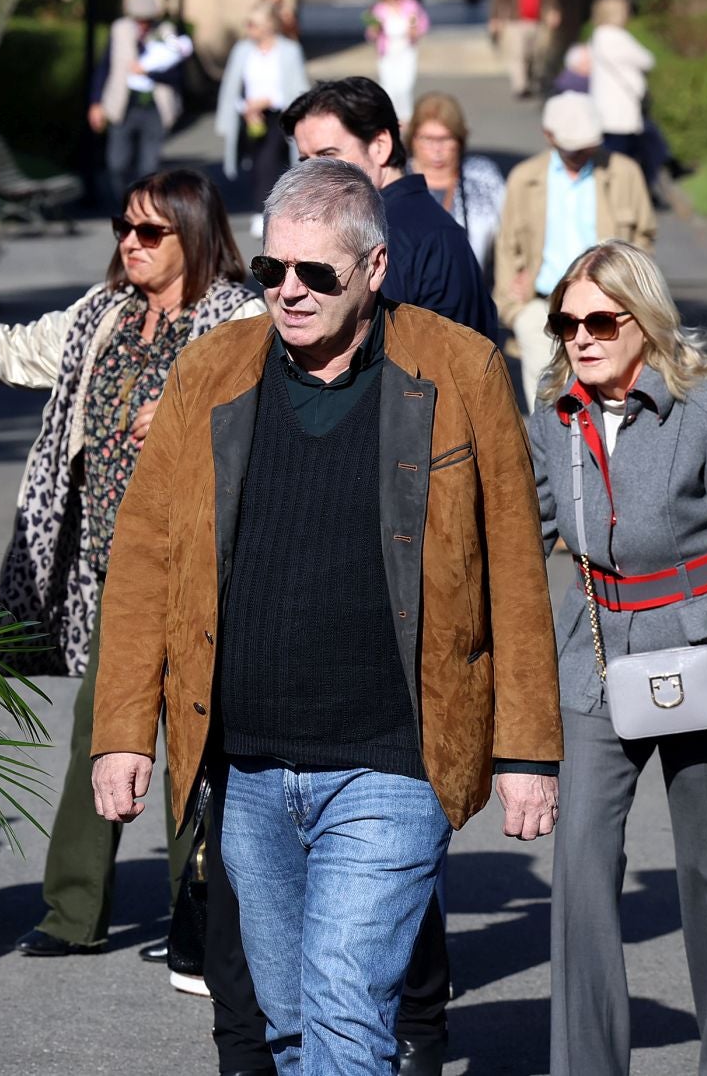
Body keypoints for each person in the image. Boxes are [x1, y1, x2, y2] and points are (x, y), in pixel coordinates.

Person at [91, 159, 563, 1076]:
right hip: (250, 767)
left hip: (393, 761)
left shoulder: (460, 368)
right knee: (292, 1023)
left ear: (375, 271)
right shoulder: (213, 370)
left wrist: (527, 752)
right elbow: (145, 561)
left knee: (346, 1003)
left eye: (317, 274)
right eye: (273, 272)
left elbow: (514, 566)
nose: (289, 292)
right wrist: (121, 733)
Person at [0, 170, 265, 1054]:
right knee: (101, 727)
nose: (130, 241)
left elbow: (268, 406)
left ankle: (191, 920)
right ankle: (72, 909)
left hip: (199, 561)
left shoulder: (242, 320)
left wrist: (193, 404)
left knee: (195, 738)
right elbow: (13, 350)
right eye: (124, 225)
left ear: (195, 235)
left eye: (151, 231)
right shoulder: (103, 312)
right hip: (105, 565)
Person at [528, 241, 707, 1076]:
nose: (582, 337)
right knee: (578, 873)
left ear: (643, 321)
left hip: (702, 659)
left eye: (600, 320)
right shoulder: (554, 417)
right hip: (596, 658)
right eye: (566, 322)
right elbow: (520, 529)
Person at [281, 77, 495, 339]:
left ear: (380, 146)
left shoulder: (393, 235)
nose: (312, 173)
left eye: (328, 156)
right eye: (305, 160)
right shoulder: (406, 223)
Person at [494, 91, 656, 412]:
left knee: (610, 395)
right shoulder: (525, 178)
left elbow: (645, 234)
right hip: (542, 305)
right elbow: (507, 244)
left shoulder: (623, 173)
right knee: (550, 397)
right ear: (549, 136)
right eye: (572, 145)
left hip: (611, 307)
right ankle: (552, 455)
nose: (581, 153)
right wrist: (512, 306)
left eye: (587, 144)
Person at [90, 0, 187, 199]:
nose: (143, 25)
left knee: (149, 166)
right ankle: (124, 201)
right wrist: (95, 102)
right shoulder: (120, 30)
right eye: (138, 20)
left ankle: (142, 206)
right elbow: (104, 67)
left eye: (147, 20)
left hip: (155, 108)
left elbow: (178, 74)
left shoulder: (167, 32)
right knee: (117, 163)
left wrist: (149, 72)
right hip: (122, 107)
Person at [217, 2, 310, 213]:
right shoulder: (242, 51)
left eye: (252, 24)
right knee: (256, 164)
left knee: (268, 162)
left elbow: (298, 89)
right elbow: (232, 87)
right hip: (250, 116)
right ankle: (269, 207)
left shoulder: (289, 50)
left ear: (268, 25)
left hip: (279, 115)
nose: (248, 29)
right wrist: (246, 108)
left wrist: (268, 101)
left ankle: (264, 212)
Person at [406, 92, 503, 273]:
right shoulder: (397, 180)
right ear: (412, 139)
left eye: (445, 138)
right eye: (427, 139)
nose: (436, 149)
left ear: (460, 139)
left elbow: (509, 238)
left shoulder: (483, 176)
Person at [588, 0, 660, 188]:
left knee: (608, 154)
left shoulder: (597, 36)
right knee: (624, 156)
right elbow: (647, 60)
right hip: (622, 107)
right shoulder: (617, 37)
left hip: (603, 107)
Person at [489, 0, 558, 99]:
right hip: (516, 21)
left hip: (536, 21)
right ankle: (520, 86)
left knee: (533, 54)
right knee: (517, 54)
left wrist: (552, 11)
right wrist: (495, 18)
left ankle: (530, 80)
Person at [368, 0, 428, 119]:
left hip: (406, 48)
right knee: (389, 85)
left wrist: (415, 30)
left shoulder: (410, 5)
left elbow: (422, 23)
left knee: (404, 85)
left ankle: (406, 116)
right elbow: (371, 32)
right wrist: (375, 29)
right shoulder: (379, 8)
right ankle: (389, 116)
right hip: (388, 50)